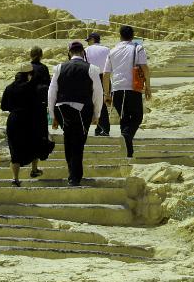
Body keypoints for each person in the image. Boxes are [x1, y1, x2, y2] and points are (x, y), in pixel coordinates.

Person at [48, 41, 103, 186]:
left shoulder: (59, 68)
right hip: (82, 109)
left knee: (68, 138)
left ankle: (72, 172)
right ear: (83, 53)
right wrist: (97, 114)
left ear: (69, 53)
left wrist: (53, 115)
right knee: (79, 141)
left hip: (62, 108)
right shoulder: (91, 68)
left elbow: (52, 92)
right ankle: (75, 177)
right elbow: (98, 92)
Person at [103, 25, 151, 158]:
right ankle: (125, 137)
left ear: (120, 35)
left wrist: (107, 94)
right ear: (132, 35)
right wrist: (148, 86)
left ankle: (128, 153)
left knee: (125, 120)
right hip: (132, 88)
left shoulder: (112, 51)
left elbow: (106, 74)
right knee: (137, 117)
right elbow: (144, 68)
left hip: (117, 89)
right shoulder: (138, 48)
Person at [1, 63, 43, 186]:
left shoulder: (9, 88)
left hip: (14, 120)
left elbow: (4, 106)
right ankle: (34, 170)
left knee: (15, 150)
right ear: (29, 74)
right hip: (30, 119)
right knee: (34, 144)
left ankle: (15, 179)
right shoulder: (33, 88)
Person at [29, 46, 53, 176]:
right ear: (41, 55)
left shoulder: (26, 67)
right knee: (39, 136)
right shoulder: (43, 68)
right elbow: (49, 87)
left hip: (27, 107)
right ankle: (34, 167)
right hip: (40, 106)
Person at [84, 32, 111, 136]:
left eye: (89, 41)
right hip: (106, 77)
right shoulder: (107, 49)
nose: (88, 43)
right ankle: (100, 128)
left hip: (93, 78)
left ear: (92, 40)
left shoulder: (86, 50)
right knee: (102, 104)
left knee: (96, 105)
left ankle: (102, 128)